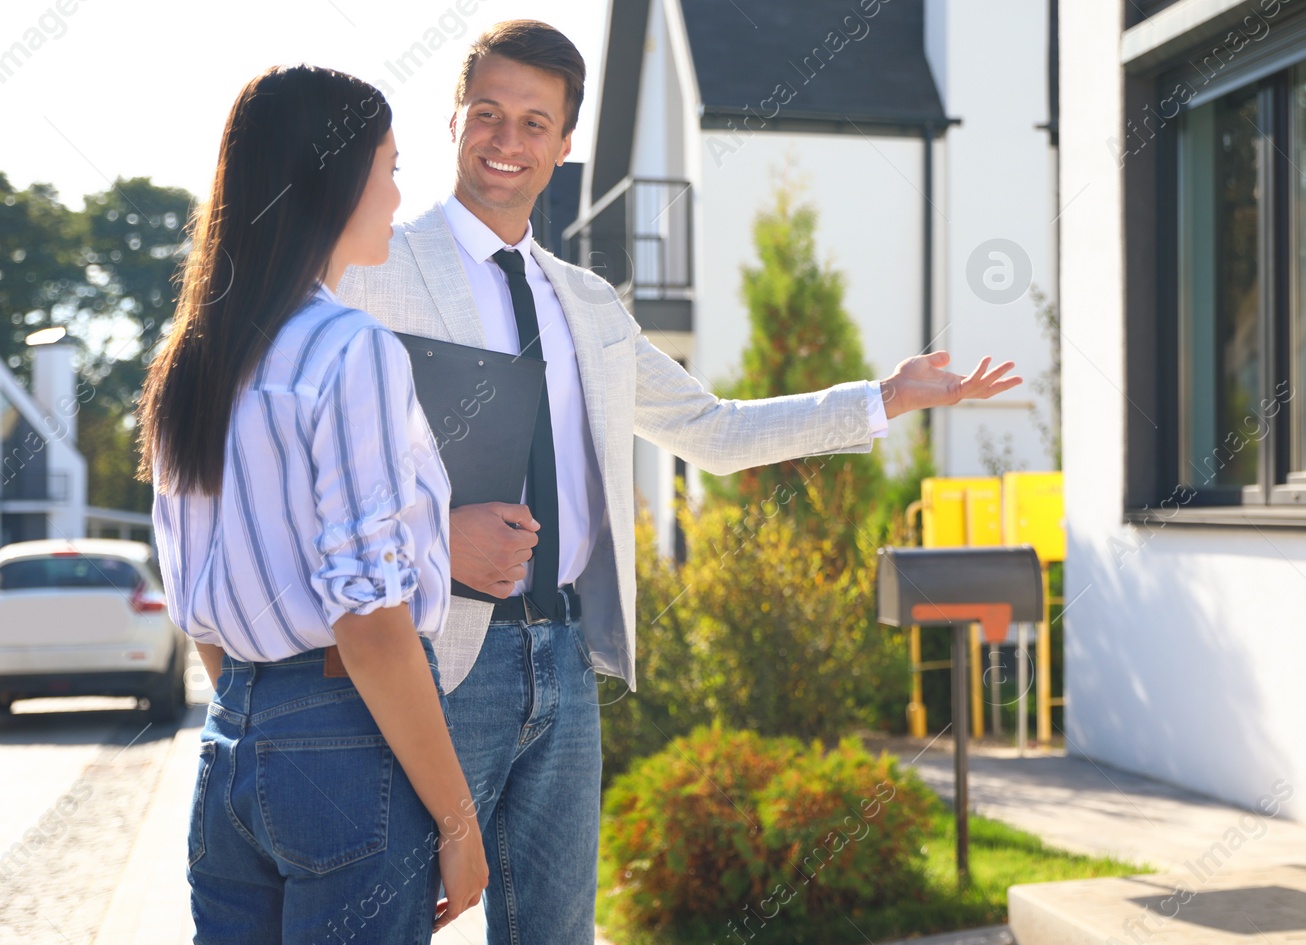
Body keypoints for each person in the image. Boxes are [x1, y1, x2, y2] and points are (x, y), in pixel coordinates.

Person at [338, 20, 1021, 945]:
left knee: (555, 935)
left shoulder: (586, 300)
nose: (508, 141)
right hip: (435, 658)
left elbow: (716, 429)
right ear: (454, 119)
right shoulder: (372, 272)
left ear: (565, 144)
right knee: (380, 928)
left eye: (535, 123)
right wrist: (433, 532)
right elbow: (316, 466)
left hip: (568, 663)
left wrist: (884, 398)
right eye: (488, 114)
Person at [136, 65, 488, 944]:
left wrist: (268, 719)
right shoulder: (348, 349)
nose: (402, 191)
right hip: (343, 735)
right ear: (334, 179)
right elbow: (369, 618)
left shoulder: (188, 357)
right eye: (393, 166)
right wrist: (458, 821)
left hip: (231, 742)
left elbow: (204, 615)